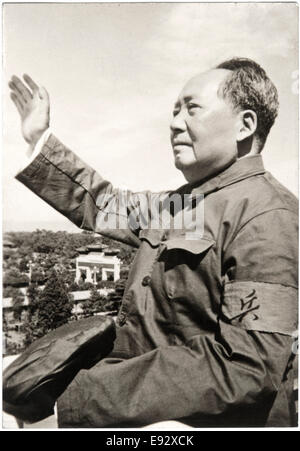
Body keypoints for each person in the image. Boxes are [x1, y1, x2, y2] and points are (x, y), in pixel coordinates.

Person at [8, 58, 298, 428]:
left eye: (192, 108)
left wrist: (77, 407)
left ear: (245, 125)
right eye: (175, 111)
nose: (175, 123)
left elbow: (246, 367)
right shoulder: (183, 204)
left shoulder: (268, 215)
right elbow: (107, 203)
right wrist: (40, 141)